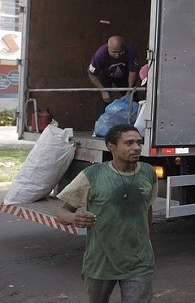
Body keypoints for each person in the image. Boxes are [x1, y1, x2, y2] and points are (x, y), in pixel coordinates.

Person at [56, 124, 158, 303]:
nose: (137, 147)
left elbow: (148, 209)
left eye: (139, 142)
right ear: (112, 146)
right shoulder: (93, 175)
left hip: (139, 262)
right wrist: (73, 218)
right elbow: (62, 212)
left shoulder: (149, 173)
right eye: (129, 143)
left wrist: (144, 241)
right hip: (100, 262)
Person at [88, 35, 140, 119]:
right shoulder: (100, 55)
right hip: (105, 75)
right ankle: (99, 128)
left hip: (124, 76)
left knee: (133, 98)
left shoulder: (130, 51)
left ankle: (135, 125)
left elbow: (133, 72)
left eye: (120, 52)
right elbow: (92, 74)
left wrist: (130, 89)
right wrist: (103, 91)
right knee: (103, 100)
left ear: (124, 48)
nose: (117, 55)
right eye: (113, 52)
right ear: (108, 48)